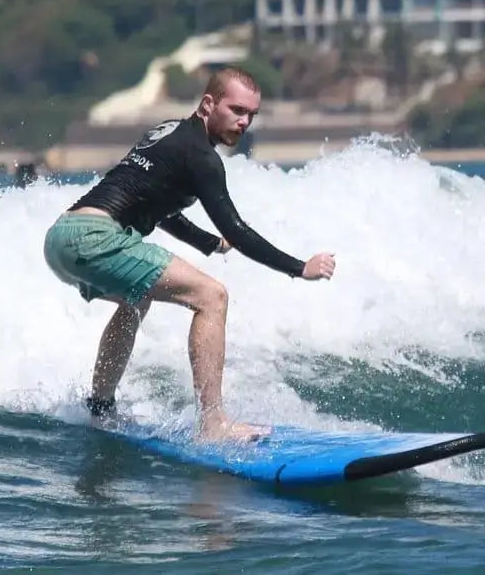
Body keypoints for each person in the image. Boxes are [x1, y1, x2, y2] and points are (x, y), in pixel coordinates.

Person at [43, 67, 336, 441]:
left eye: (252, 115)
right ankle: (213, 424)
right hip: (95, 238)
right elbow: (238, 230)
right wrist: (300, 268)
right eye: (236, 110)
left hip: (62, 237)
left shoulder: (166, 132)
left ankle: (100, 408)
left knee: (137, 298)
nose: (244, 121)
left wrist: (209, 243)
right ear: (208, 104)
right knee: (212, 297)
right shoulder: (202, 157)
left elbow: (157, 208)